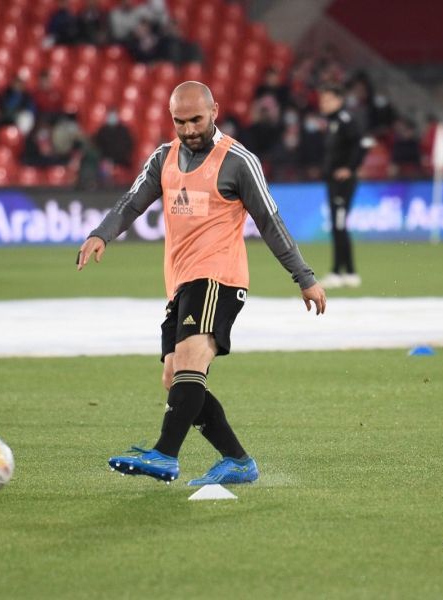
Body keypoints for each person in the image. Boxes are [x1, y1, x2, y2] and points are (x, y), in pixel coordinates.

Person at [76, 81, 326, 486]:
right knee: (174, 377)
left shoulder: (238, 161)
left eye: (196, 119)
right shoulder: (164, 158)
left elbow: (271, 223)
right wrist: (101, 234)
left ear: (214, 111)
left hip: (218, 278)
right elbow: (132, 201)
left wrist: (305, 278)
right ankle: (238, 461)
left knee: (191, 365)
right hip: (181, 284)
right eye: (180, 121)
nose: (189, 128)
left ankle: (165, 454)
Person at [318, 83, 365, 289]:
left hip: (342, 183)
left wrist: (350, 168)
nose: (324, 104)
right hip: (333, 181)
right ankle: (349, 272)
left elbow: (362, 144)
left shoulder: (345, 120)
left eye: (328, 100)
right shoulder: (332, 121)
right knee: (339, 226)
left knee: (339, 225)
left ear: (339, 101)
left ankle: (340, 271)